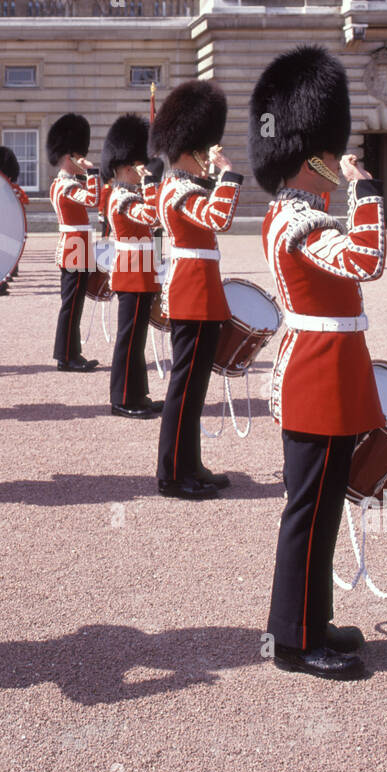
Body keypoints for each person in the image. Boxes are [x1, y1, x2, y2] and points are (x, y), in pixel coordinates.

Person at [250, 44, 386, 681]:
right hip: (318, 374)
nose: (342, 161)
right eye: (335, 154)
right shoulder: (301, 223)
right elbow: (367, 262)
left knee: (323, 505)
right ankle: (295, 642)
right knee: (308, 511)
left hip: (328, 366)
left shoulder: (296, 212)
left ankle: (310, 619)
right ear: (314, 157)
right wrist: (365, 191)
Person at [149, 81, 242, 499]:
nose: (209, 157)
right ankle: (171, 474)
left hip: (200, 290)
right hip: (190, 292)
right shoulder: (181, 188)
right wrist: (228, 174)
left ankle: (191, 463)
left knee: (195, 387)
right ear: (192, 148)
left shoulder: (184, 183)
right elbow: (219, 218)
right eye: (205, 150)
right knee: (183, 389)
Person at [101, 113, 163, 419]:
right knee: (128, 341)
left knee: (137, 340)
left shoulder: (127, 193)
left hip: (141, 271)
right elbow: (153, 216)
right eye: (139, 166)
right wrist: (152, 183)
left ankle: (138, 394)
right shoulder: (122, 198)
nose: (143, 171)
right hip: (131, 273)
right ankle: (122, 398)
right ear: (127, 167)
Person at [48, 113, 100, 371]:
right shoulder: (67, 186)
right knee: (72, 305)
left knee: (73, 305)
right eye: (79, 157)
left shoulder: (61, 183)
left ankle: (69, 353)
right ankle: (67, 356)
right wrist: (92, 171)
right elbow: (94, 200)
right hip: (74, 248)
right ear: (70, 157)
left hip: (73, 246)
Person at [0, 145, 29, 297]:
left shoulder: (4, 187)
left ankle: (1, 282)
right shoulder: (10, 188)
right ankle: (1, 284)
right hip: (4, 225)